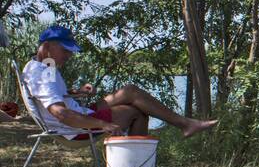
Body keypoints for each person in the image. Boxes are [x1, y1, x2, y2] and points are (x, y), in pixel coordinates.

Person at [20, 25, 218, 139]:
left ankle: (185, 124)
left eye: (70, 51)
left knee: (130, 91)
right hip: (75, 127)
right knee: (137, 112)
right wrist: (101, 124)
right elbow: (61, 114)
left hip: (80, 114)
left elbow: (52, 95)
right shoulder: (42, 73)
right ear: (46, 47)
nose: (69, 55)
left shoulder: (41, 66)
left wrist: (75, 92)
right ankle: (134, 163)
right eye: (65, 50)